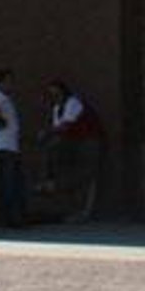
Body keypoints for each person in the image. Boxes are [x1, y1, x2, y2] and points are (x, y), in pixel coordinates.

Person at [40, 79, 104, 220]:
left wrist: (47, 133)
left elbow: (65, 126)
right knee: (71, 171)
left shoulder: (73, 103)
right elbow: (59, 130)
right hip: (74, 142)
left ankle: (86, 211)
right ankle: (52, 184)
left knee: (87, 175)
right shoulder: (57, 109)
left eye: (57, 94)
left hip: (88, 140)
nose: (55, 98)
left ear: (63, 92)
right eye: (52, 95)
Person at [0, 67, 25, 226]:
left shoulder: (4, 98)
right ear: (0, 83)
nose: (11, 85)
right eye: (8, 81)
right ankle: (10, 218)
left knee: (8, 182)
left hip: (7, 145)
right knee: (10, 183)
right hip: (5, 146)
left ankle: (7, 217)